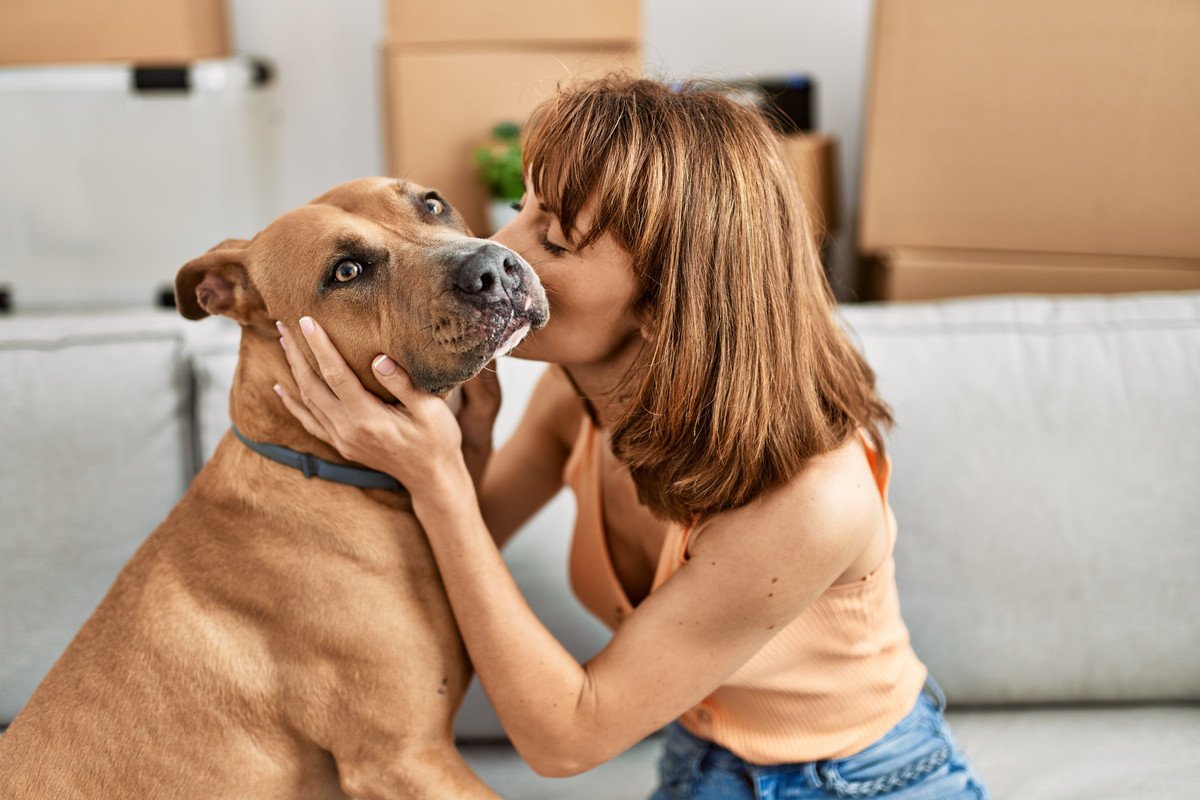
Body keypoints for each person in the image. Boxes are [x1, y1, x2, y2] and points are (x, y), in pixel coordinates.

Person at [273, 74, 990, 799]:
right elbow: (445, 560)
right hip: (700, 762)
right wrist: (466, 447)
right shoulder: (576, 394)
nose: (500, 248)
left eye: (551, 238)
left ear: (663, 303)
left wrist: (439, 479)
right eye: (521, 207)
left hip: (860, 783)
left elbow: (567, 738)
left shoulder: (809, 502)